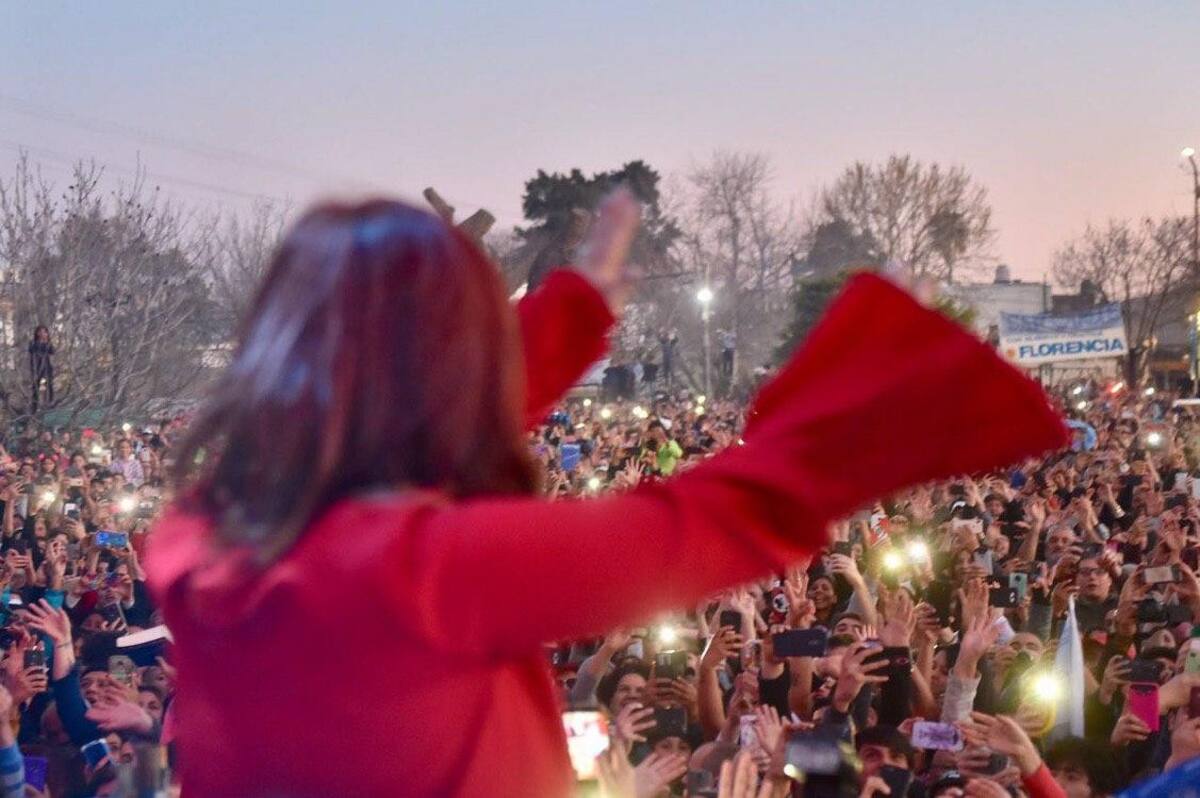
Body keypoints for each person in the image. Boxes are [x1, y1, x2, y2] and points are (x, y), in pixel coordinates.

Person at [145, 190, 1066, 797]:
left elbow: (419, 410)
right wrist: (875, 375)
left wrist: (571, 309)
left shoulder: (208, 533)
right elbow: (697, 530)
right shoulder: (417, 568)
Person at [28, 326, 54, 413]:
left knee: (46, 386)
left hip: (46, 370)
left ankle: (48, 404)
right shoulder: (34, 343)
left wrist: (47, 342)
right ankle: (35, 407)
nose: (43, 334)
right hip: (37, 369)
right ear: (37, 333)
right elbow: (32, 352)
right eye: (41, 332)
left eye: (45, 332)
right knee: (37, 388)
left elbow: (52, 351)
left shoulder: (48, 344)